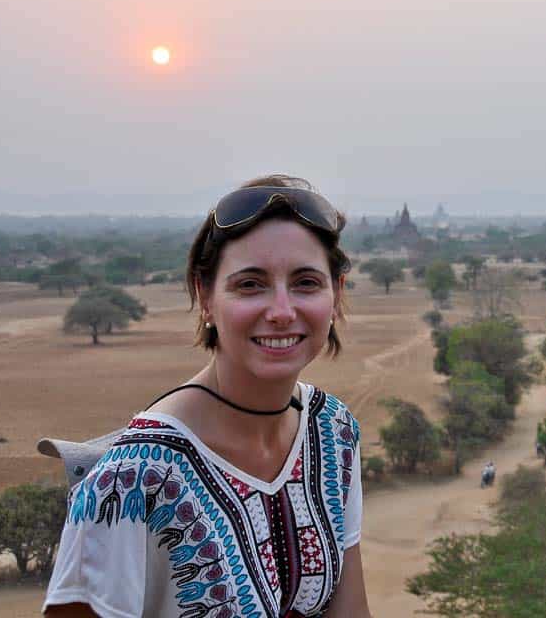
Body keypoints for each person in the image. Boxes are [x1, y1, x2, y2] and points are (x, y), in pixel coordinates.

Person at [43, 175, 373, 617]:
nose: (280, 311)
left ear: (337, 295)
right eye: (250, 284)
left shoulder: (332, 431)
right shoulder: (129, 482)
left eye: (306, 283)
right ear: (205, 296)